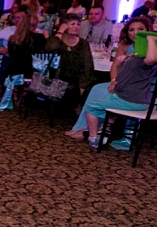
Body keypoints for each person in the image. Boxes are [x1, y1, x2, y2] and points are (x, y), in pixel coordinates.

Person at [65, 16, 153, 144]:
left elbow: (148, 60)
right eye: (131, 30)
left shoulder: (151, 48)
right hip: (124, 81)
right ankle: (86, 127)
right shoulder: (125, 45)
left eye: (140, 29)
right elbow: (115, 66)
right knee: (96, 88)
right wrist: (113, 81)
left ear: (147, 30)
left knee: (107, 93)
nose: (136, 33)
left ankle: (102, 129)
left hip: (145, 85)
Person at [44, 14, 94, 109]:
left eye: (78, 24)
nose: (76, 26)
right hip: (56, 80)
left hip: (75, 82)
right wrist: (60, 31)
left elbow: (88, 65)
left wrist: (82, 85)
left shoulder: (83, 43)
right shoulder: (56, 40)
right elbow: (50, 48)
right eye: (72, 24)